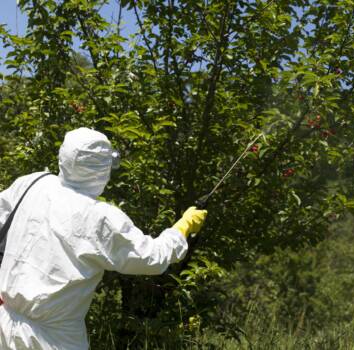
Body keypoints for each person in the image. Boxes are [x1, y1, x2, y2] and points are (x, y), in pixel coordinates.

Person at [0, 127, 207, 350]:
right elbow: (152, 257)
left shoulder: (34, 183)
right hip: (55, 340)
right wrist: (182, 228)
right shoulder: (99, 217)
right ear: (101, 170)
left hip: (5, 323)